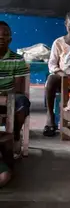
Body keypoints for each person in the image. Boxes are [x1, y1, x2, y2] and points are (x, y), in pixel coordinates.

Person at [0, 22, 30, 157]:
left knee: (22, 102)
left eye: (5, 35)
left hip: (10, 96)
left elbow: (17, 88)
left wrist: (5, 96)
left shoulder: (18, 60)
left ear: (10, 39)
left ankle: (16, 135)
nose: (1, 38)